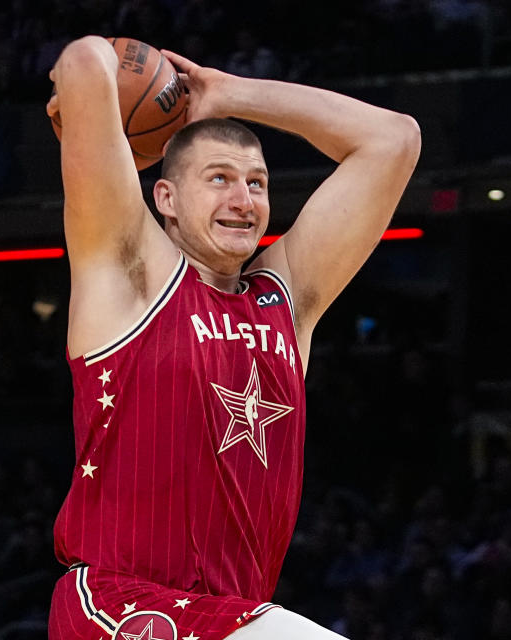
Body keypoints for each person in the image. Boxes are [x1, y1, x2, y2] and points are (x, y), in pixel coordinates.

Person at [44, 35, 421, 640]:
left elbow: (394, 139)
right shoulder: (131, 276)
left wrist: (231, 94)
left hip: (231, 614)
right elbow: (88, 57)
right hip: (120, 610)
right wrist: (90, 99)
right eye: (218, 179)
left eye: (257, 183)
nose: (242, 199)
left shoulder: (286, 302)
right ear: (164, 197)